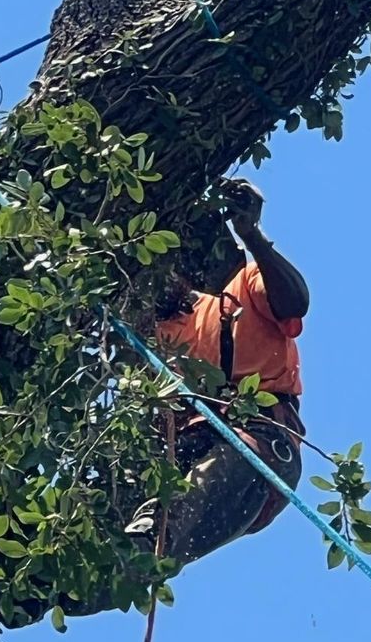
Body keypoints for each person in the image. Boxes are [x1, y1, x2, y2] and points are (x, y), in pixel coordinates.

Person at [123, 178, 309, 566]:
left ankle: (145, 546)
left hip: (259, 447)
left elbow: (296, 300)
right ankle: (48, 591)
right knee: (124, 532)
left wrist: (252, 236)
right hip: (199, 453)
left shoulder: (244, 291)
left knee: (157, 539)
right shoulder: (150, 338)